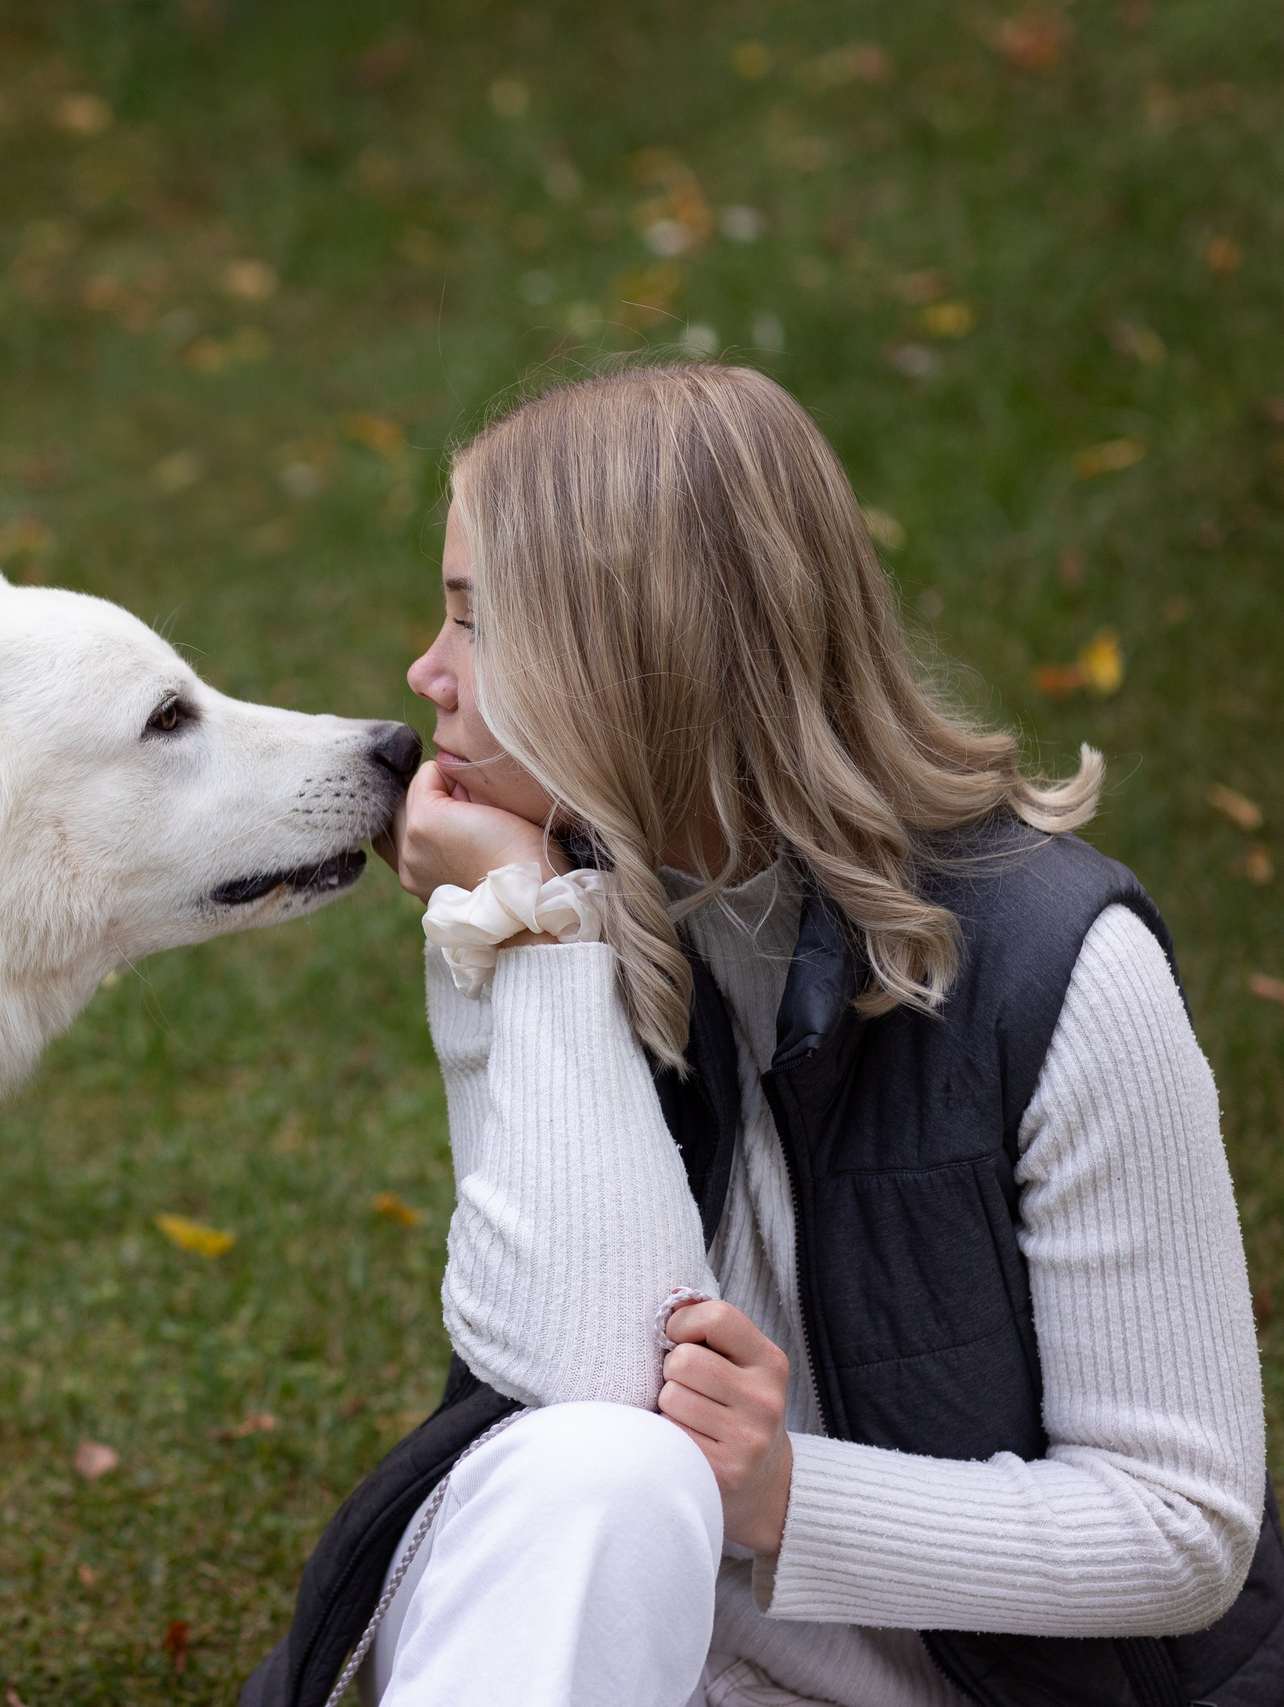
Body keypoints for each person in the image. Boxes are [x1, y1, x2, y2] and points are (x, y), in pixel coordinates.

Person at [239, 364, 1277, 1707]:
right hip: (590, 1629)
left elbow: (1181, 1532)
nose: (423, 674)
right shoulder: (543, 904)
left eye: (473, 623)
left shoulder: (1063, 970)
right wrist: (533, 940)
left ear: (635, 655)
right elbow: (583, 1398)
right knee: (599, 1467)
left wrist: (789, 1494)